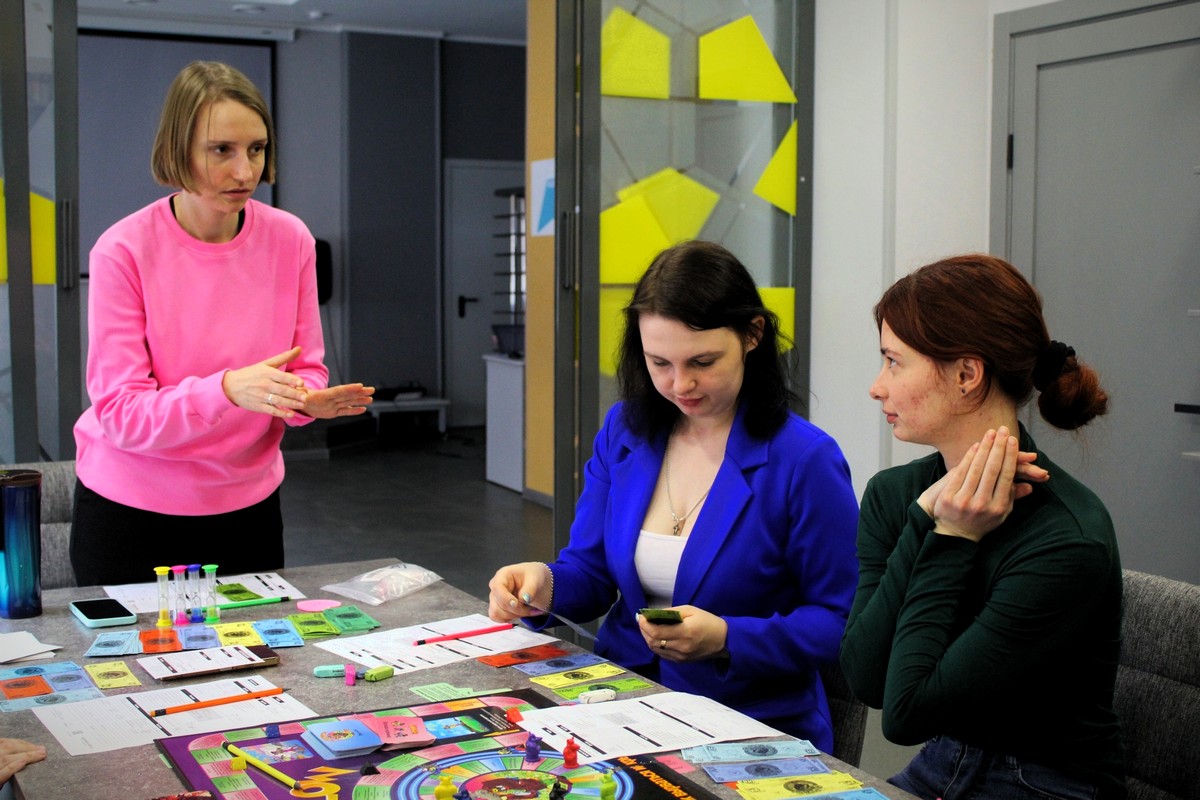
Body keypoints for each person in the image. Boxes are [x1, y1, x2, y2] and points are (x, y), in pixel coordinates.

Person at [487, 240, 858, 750]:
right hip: (622, 702)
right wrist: (542, 586)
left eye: (703, 361)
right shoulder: (626, 432)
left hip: (750, 722)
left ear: (753, 334)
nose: (681, 384)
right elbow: (591, 572)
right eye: (659, 362)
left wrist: (727, 638)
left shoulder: (804, 459)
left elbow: (841, 622)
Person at [71, 61, 373, 586]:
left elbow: (306, 368)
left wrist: (305, 400)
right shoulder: (122, 250)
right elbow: (120, 415)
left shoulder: (291, 240)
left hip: (248, 511)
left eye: (256, 149)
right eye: (222, 151)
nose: (244, 172)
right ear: (178, 151)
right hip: (131, 513)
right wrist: (228, 390)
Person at [841, 254, 1125, 799]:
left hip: (1047, 782)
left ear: (967, 376)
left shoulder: (1068, 539)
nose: (877, 387)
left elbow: (904, 714)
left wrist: (952, 537)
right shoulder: (894, 495)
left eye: (894, 363)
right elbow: (865, 677)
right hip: (943, 760)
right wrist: (925, 520)